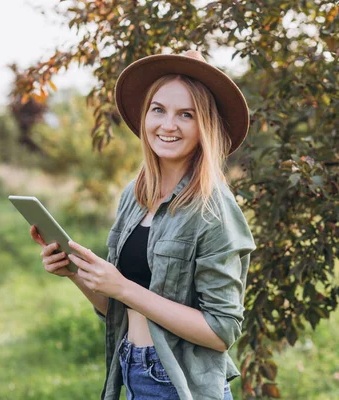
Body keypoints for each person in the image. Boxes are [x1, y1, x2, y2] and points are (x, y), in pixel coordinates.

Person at [30, 50, 256, 400]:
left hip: (182, 386)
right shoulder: (134, 197)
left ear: (205, 127)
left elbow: (221, 330)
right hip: (133, 372)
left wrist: (123, 288)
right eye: (158, 110)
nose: (168, 125)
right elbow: (119, 309)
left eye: (186, 114)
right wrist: (75, 272)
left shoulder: (213, 209)